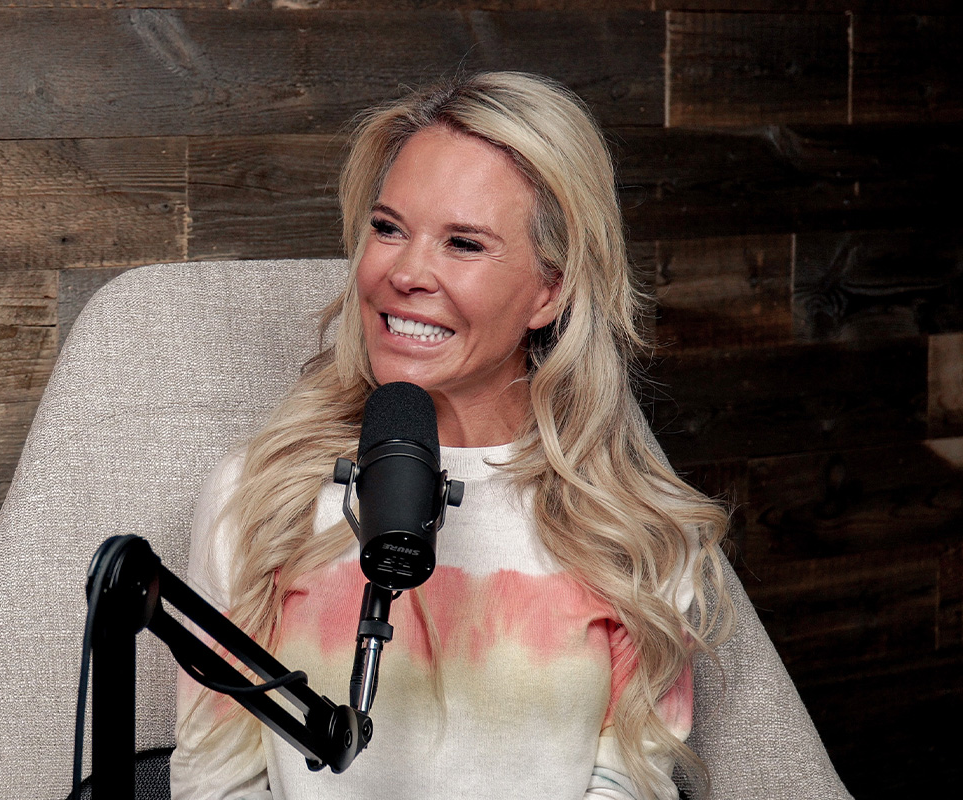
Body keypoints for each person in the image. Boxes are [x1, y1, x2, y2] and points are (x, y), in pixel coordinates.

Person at [170, 71, 732, 800]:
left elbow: (626, 784)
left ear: (551, 290)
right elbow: (215, 782)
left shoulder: (635, 536)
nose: (404, 272)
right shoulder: (259, 496)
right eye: (388, 228)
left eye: (463, 243)